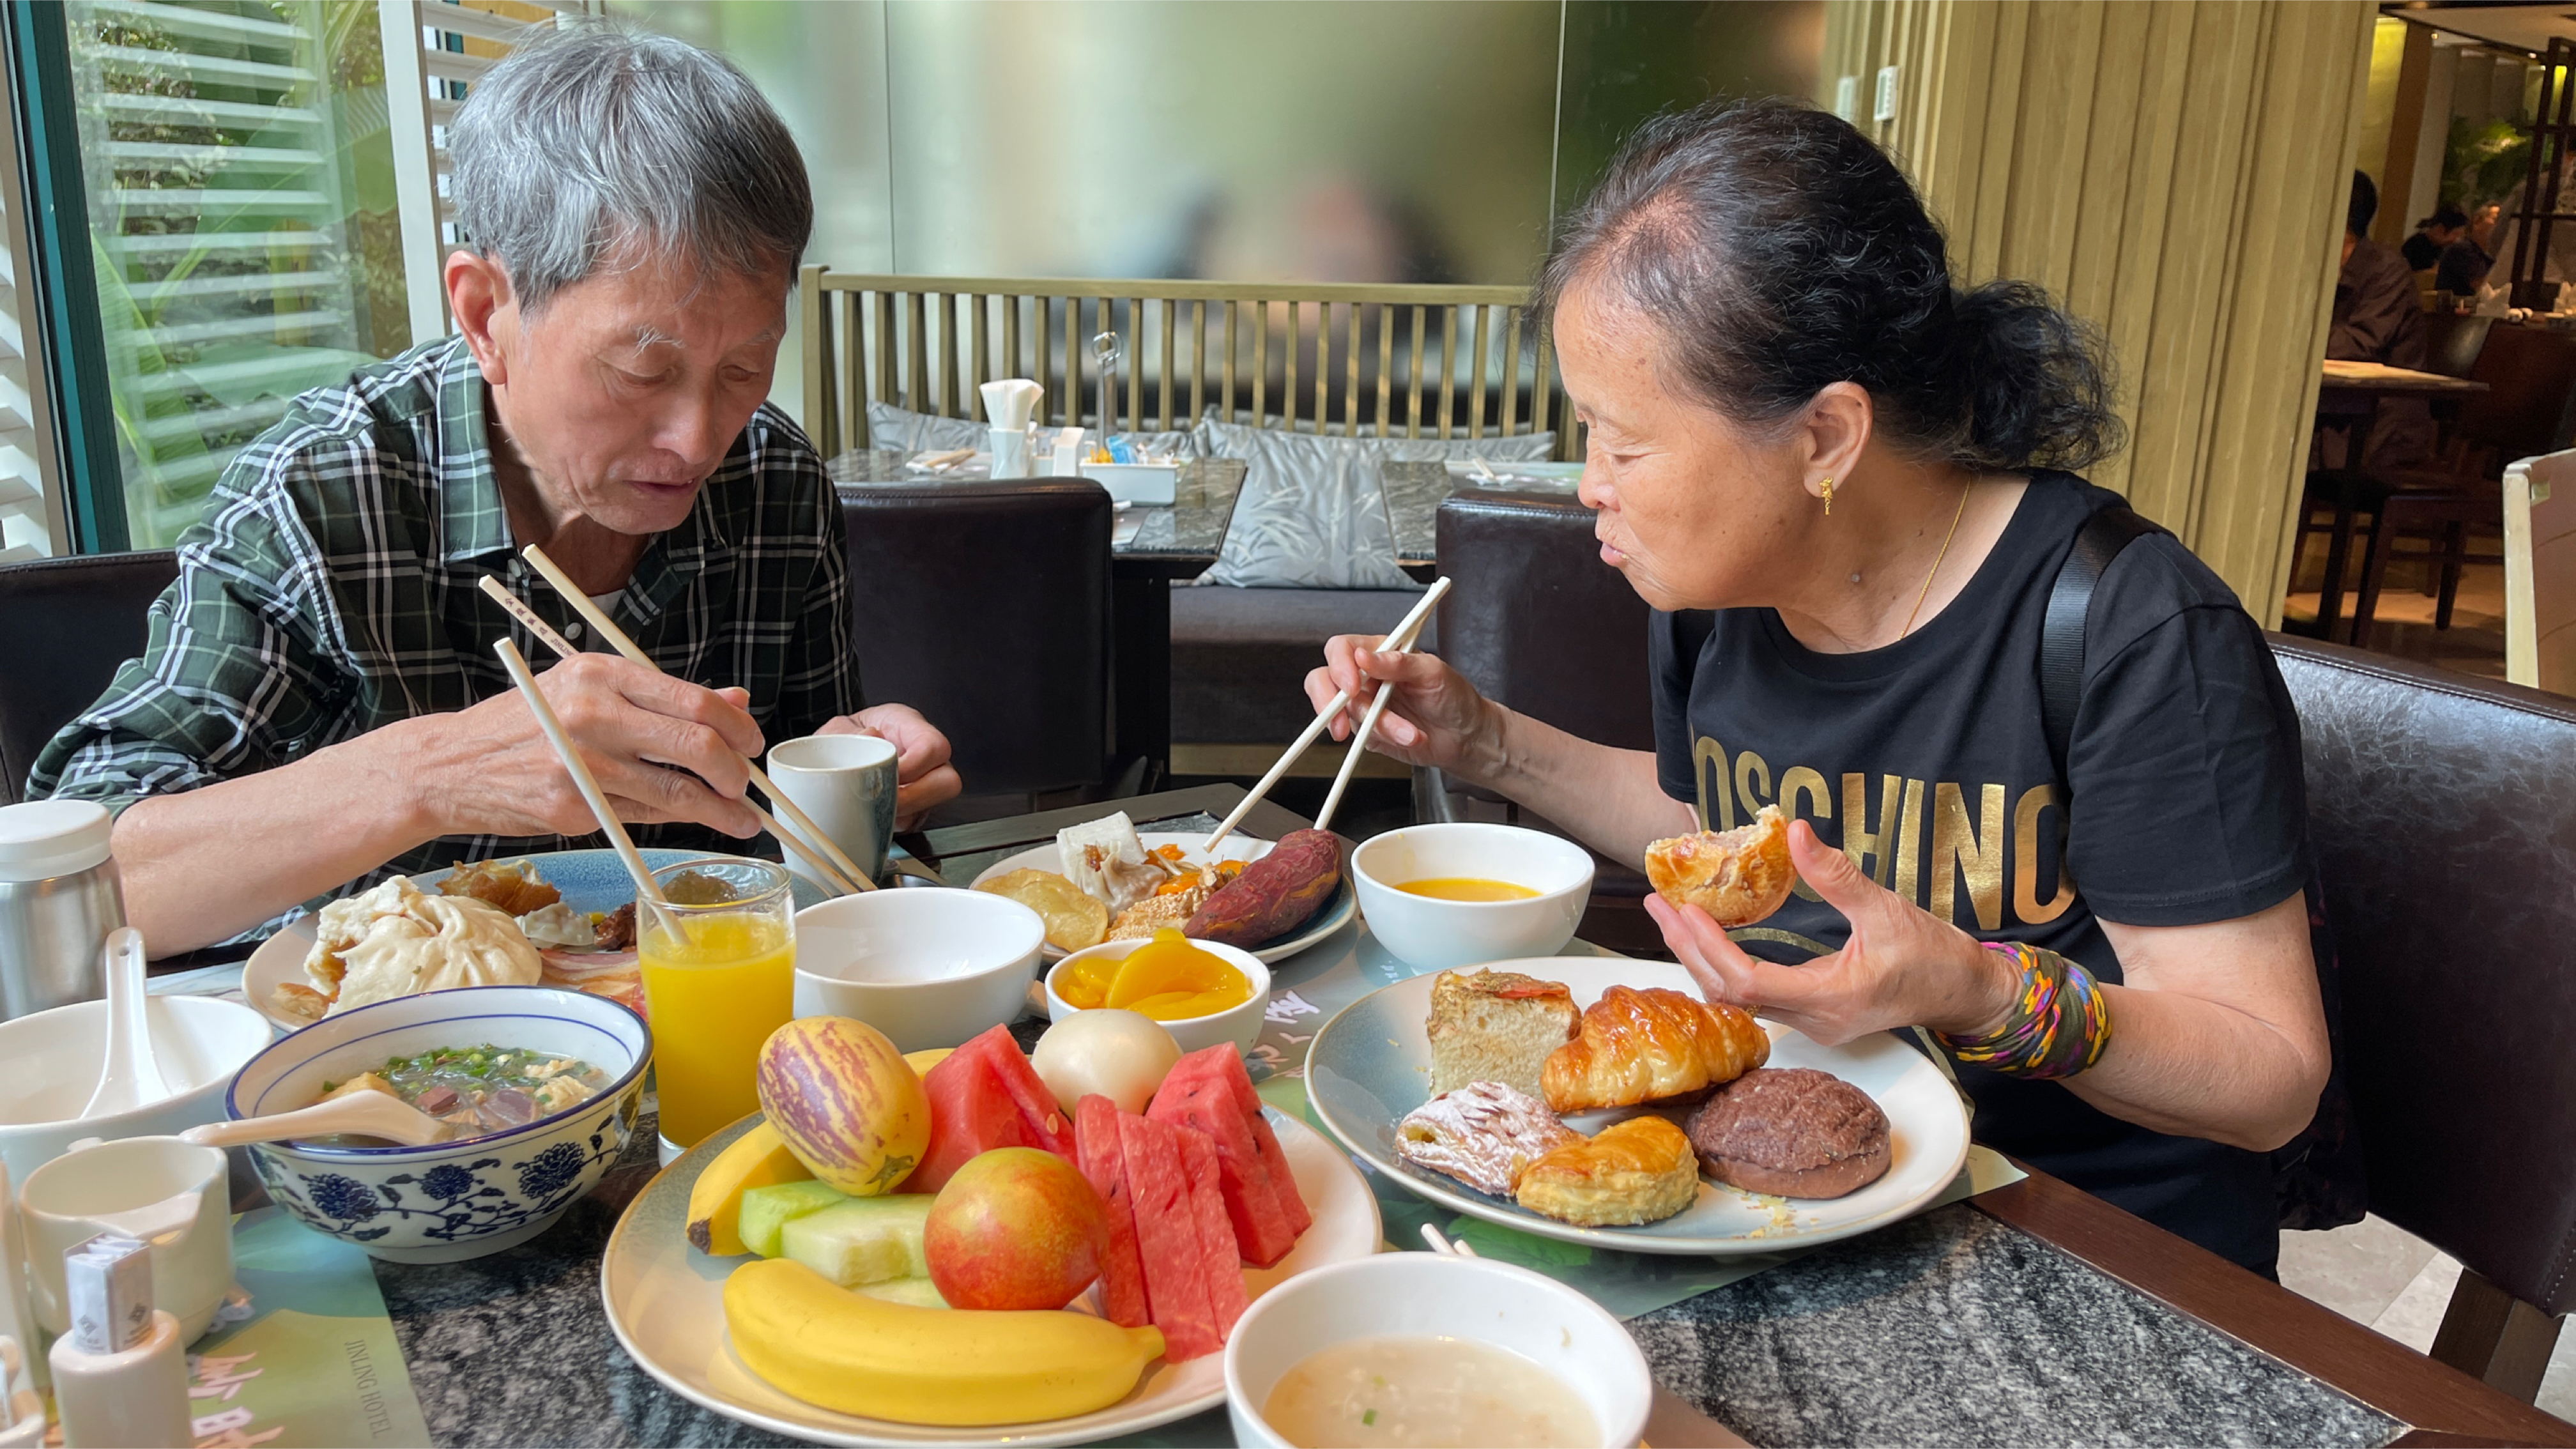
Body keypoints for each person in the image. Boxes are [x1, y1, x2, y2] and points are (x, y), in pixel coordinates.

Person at [1306, 100, 2329, 1274]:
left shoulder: (2129, 628)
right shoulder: (1722, 594)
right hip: (1799, 1196)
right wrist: (1484, 741)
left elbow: (2268, 1077)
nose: (1590, 485)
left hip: (2078, 1242)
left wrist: (1979, 989)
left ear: (1827, 435)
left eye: (1623, 444)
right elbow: (1725, 835)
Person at [29, 25, 961, 954]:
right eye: (643, 370)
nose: (700, 438)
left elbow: (794, 862)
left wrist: (859, 772)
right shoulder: (324, 497)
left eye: (745, 366)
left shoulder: (774, 483)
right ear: (484, 314)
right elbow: (63, 892)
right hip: (394, 1063)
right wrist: (431, 773)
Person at [2329, 171, 2434, 469]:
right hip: (2340, 416)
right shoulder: (2321, 267)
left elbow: (2358, 342)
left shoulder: (2386, 270)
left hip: (2380, 428)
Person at [2435, 201, 2500, 298]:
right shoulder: (2461, 249)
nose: (2499, 226)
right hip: (2453, 311)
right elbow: (2481, 287)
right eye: (2496, 220)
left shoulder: (2486, 256)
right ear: (2477, 221)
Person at [2401, 206, 2466, 272]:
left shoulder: (2445, 248)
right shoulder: (2414, 246)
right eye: (2456, 234)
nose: (2457, 240)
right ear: (2440, 229)